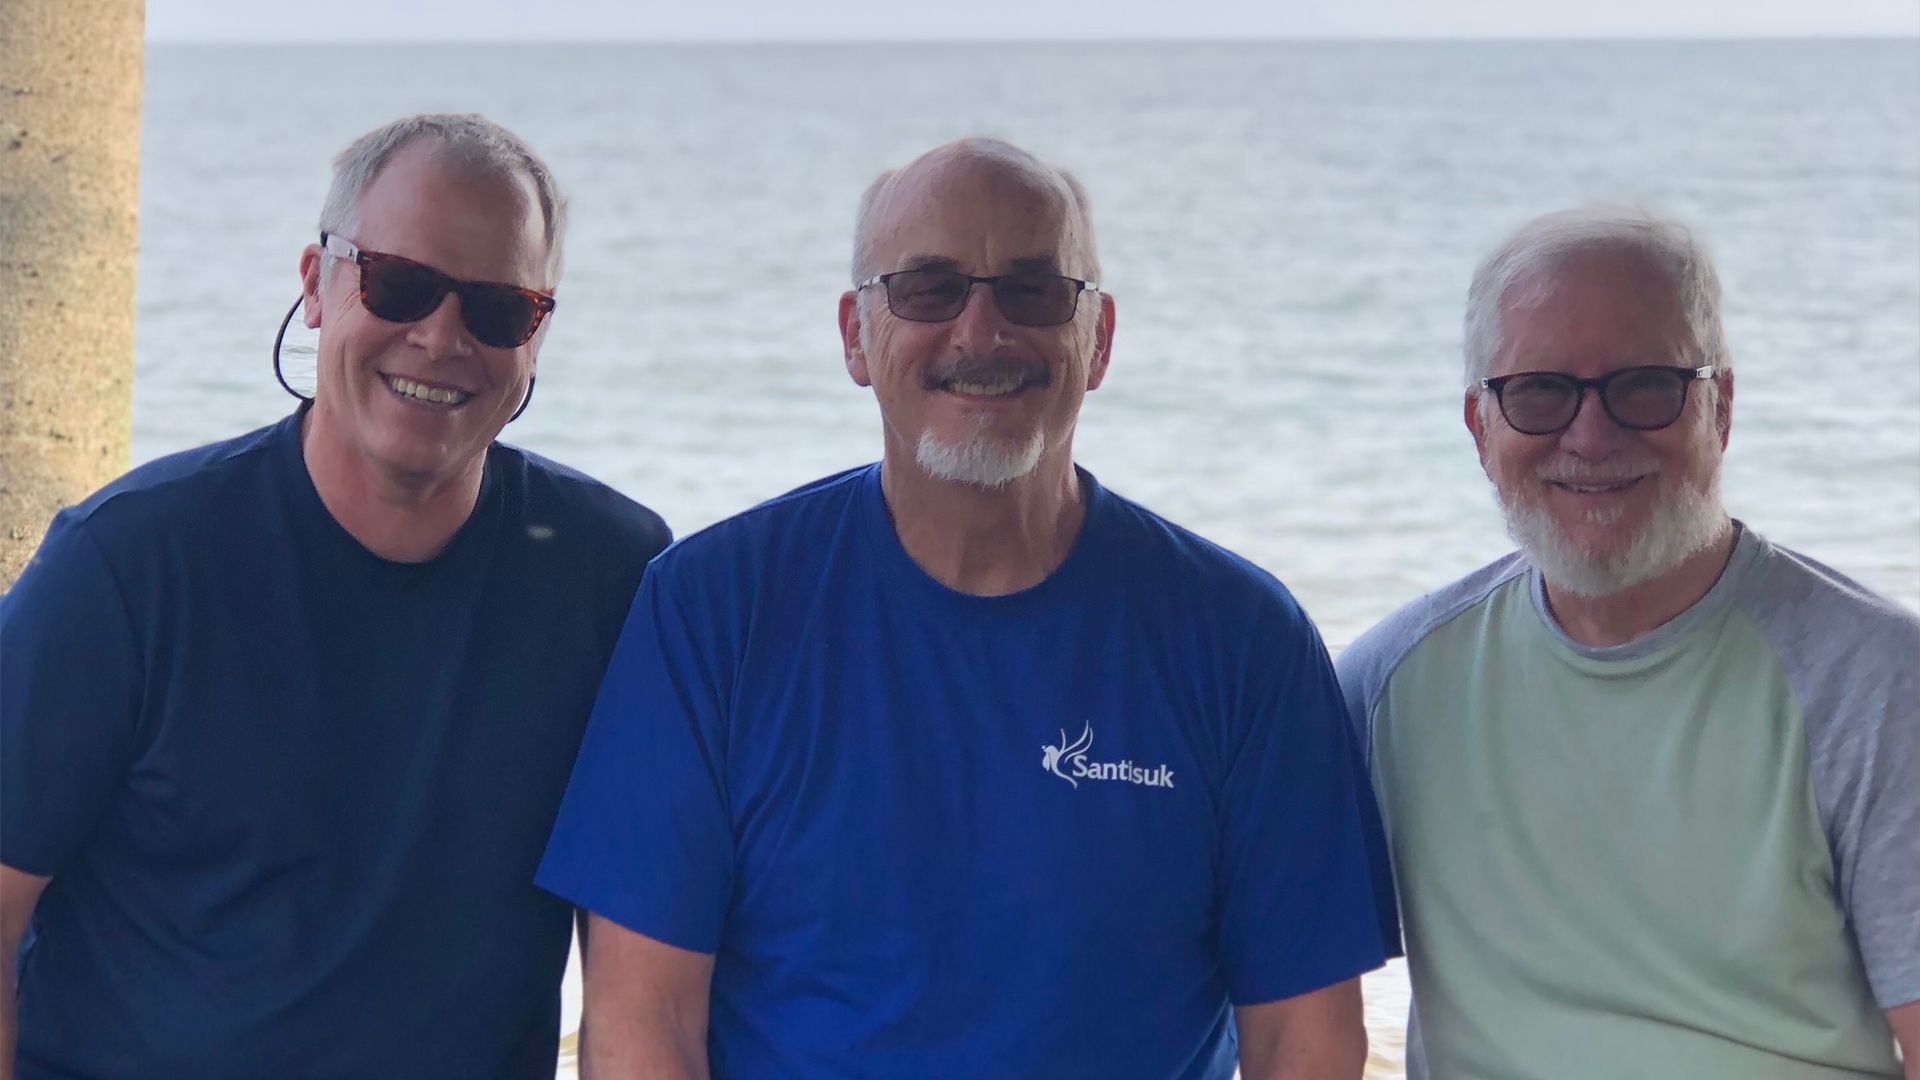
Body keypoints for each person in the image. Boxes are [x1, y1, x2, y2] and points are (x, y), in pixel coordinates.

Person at [534, 137, 1394, 1079]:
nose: (981, 333)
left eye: (1033, 290)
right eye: (928, 290)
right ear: (855, 336)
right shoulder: (709, 613)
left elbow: (1304, 1039)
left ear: (1099, 339)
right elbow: (643, 1023)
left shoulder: (1243, 639)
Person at [0, 114, 670, 1078]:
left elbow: (648, 964)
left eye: (498, 309)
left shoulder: (613, 574)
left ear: (539, 333)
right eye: (400, 284)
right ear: (316, 284)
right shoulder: (126, 565)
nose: (440, 337)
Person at [1338, 206, 1920, 1078]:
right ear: (1479, 427)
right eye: (1540, 392)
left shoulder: (1877, 685)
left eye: (1645, 386)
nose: (1591, 435)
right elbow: (1274, 986)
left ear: (1721, 407)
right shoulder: (1388, 687)